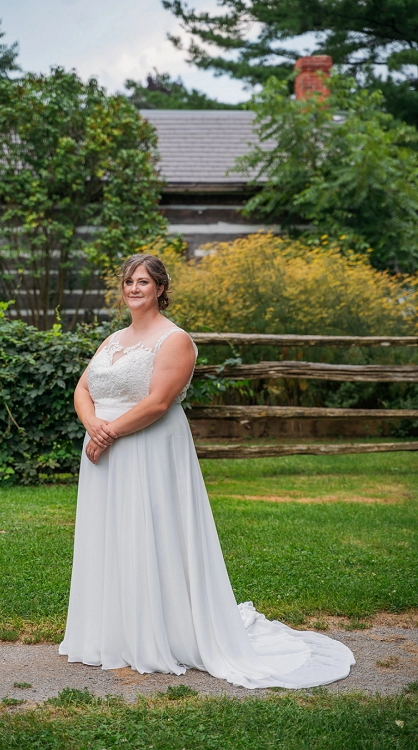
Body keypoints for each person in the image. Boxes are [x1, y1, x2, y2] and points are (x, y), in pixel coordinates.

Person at [59, 253, 355, 689]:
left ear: (160, 288)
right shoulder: (112, 340)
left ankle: (164, 632)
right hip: (106, 452)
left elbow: (159, 402)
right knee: (112, 535)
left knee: (153, 531)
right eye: (128, 282)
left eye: (143, 282)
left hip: (147, 448)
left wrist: (107, 434)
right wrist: (92, 426)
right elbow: (83, 389)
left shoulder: (175, 339)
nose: (134, 288)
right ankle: (111, 631)